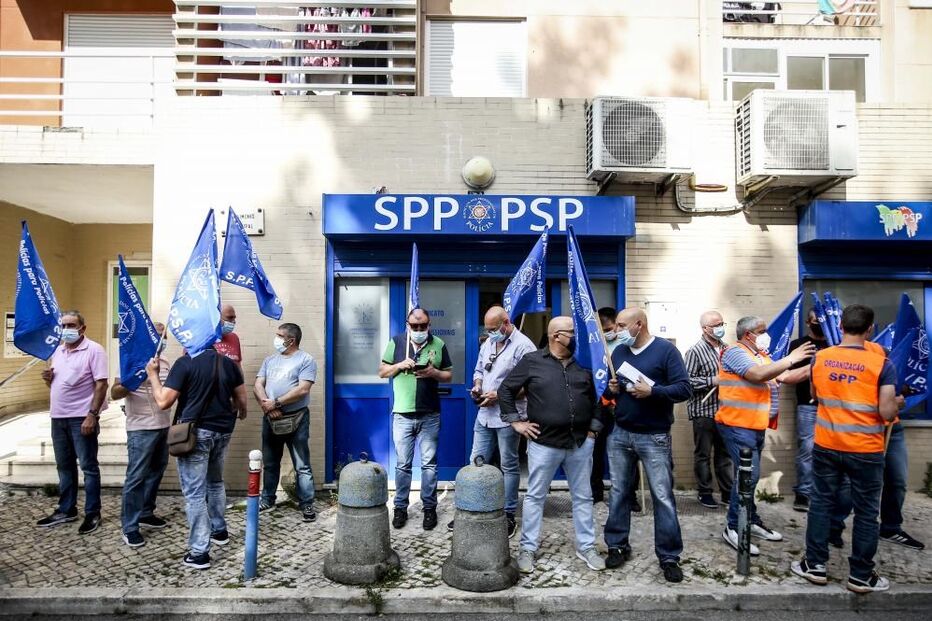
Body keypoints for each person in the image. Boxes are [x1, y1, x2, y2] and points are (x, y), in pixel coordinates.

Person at [792, 304, 900, 593]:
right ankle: (861, 576)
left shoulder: (821, 357)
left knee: (820, 504)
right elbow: (887, 412)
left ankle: (815, 565)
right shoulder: (882, 363)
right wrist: (897, 403)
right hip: (865, 449)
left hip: (827, 444)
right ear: (870, 329)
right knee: (866, 512)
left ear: (840, 326)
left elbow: (815, 395)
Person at [499, 316, 605, 574]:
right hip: (544, 444)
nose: (576, 337)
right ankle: (528, 549)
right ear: (556, 336)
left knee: (583, 497)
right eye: (572, 332)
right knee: (535, 497)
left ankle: (586, 547)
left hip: (580, 443)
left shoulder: (584, 364)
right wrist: (516, 422)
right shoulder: (532, 361)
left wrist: (593, 429)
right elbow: (505, 390)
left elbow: (598, 397)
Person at [604, 308, 692, 583]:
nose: (617, 330)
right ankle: (617, 545)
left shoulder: (666, 351)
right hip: (621, 434)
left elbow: (684, 389)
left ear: (639, 324)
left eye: (621, 325)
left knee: (662, 497)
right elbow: (611, 391)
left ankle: (669, 556)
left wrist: (653, 391)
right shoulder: (619, 352)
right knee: (619, 493)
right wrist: (612, 389)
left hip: (654, 436)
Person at [715, 315, 816, 556]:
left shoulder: (760, 355)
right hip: (737, 425)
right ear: (748, 334)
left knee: (749, 476)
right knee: (748, 476)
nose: (766, 334)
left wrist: (816, 364)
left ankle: (750, 520)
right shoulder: (735, 352)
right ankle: (734, 527)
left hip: (754, 425)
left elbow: (785, 376)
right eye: (762, 331)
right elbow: (757, 375)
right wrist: (791, 358)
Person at [147, 347, 247, 570]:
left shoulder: (185, 363)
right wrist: (233, 414)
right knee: (215, 482)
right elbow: (242, 401)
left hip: (195, 434)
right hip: (223, 431)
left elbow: (163, 401)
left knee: (195, 493)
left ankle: (199, 552)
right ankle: (219, 531)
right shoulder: (228, 363)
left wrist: (153, 374)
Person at [447, 306, 536, 537]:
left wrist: (499, 395)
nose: (490, 334)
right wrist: (478, 386)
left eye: (493, 329)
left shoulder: (524, 346)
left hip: (509, 416)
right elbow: (479, 370)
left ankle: (508, 514)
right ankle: (471, 507)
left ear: (506, 323)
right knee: (476, 462)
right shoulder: (488, 343)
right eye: (487, 330)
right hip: (484, 415)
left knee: (509, 465)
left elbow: (531, 385)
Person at [378, 308, 453, 531]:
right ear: (407, 325)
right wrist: (399, 365)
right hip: (402, 415)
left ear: (429, 325)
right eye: (415, 326)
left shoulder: (438, 344)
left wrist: (434, 373)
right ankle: (400, 508)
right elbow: (382, 372)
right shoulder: (396, 342)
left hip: (430, 414)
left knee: (429, 465)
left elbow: (449, 375)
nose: (419, 329)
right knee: (403, 465)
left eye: (423, 326)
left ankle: (429, 508)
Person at [36, 311, 108, 535]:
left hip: (81, 418)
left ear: (82, 328)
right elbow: (58, 385)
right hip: (58, 417)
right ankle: (66, 509)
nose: (66, 329)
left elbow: (101, 384)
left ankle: (93, 512)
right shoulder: (57, 351)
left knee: (88, 467)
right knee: (64, 466)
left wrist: (92, 415)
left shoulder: (94, 350)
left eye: (71, 325)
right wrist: (49, 380)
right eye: (63, 325)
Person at [111, 322, 172, 548]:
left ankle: (146, 512)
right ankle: (130, 527)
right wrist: (135, 378)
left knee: (156, 472)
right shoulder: (130, 360)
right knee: (136, 477)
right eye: (156, 334)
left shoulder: (165, 363)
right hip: (140, 428)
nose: (161, 339)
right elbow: (115, 392)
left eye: (164, 335)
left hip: (163, 426)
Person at [254, 323, 319, 522]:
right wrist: (267, 406)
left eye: (279, 335)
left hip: (296, 418)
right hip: (270, 418)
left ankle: (307, 503)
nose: (276, 338)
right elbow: (258, 384)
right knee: (270, 462)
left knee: (302, 465)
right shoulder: (270, 360)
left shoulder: (306, 360)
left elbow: (303, 390)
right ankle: (268, 499)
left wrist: (276, 403)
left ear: (291, 340)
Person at [684, 311, 733, 509]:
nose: (721, 327)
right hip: (704, 411)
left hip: (725, 411)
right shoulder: (695, 351)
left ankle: (727, 493)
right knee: (703, 455)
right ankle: (705, 492)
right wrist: (712, 380)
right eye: (716, 325)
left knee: (725, 455)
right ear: (705, 328)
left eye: (722, 323)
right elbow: (687, 381)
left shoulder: (728, 349)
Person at [787, 309, 830, 512]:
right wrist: (815, 365)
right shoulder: (799, 345)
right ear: (807, 322)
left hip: (833, 406)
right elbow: (787, 374)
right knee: (807, 449)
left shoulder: (835, 344)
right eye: (815, 320)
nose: (818, 324)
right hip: (808, 405)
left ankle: (830, 493)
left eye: (822, 320)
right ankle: (803, 493)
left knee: (834, 451)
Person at [590, 307, 619, 505]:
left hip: (620, 406)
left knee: (623, 452)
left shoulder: (624, 346)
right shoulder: (594, 345)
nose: (607, 333)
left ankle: (628, 495)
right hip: (599, 407)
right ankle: (596, 492)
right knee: (596, 452)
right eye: (603, 330)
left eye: (609, 329)